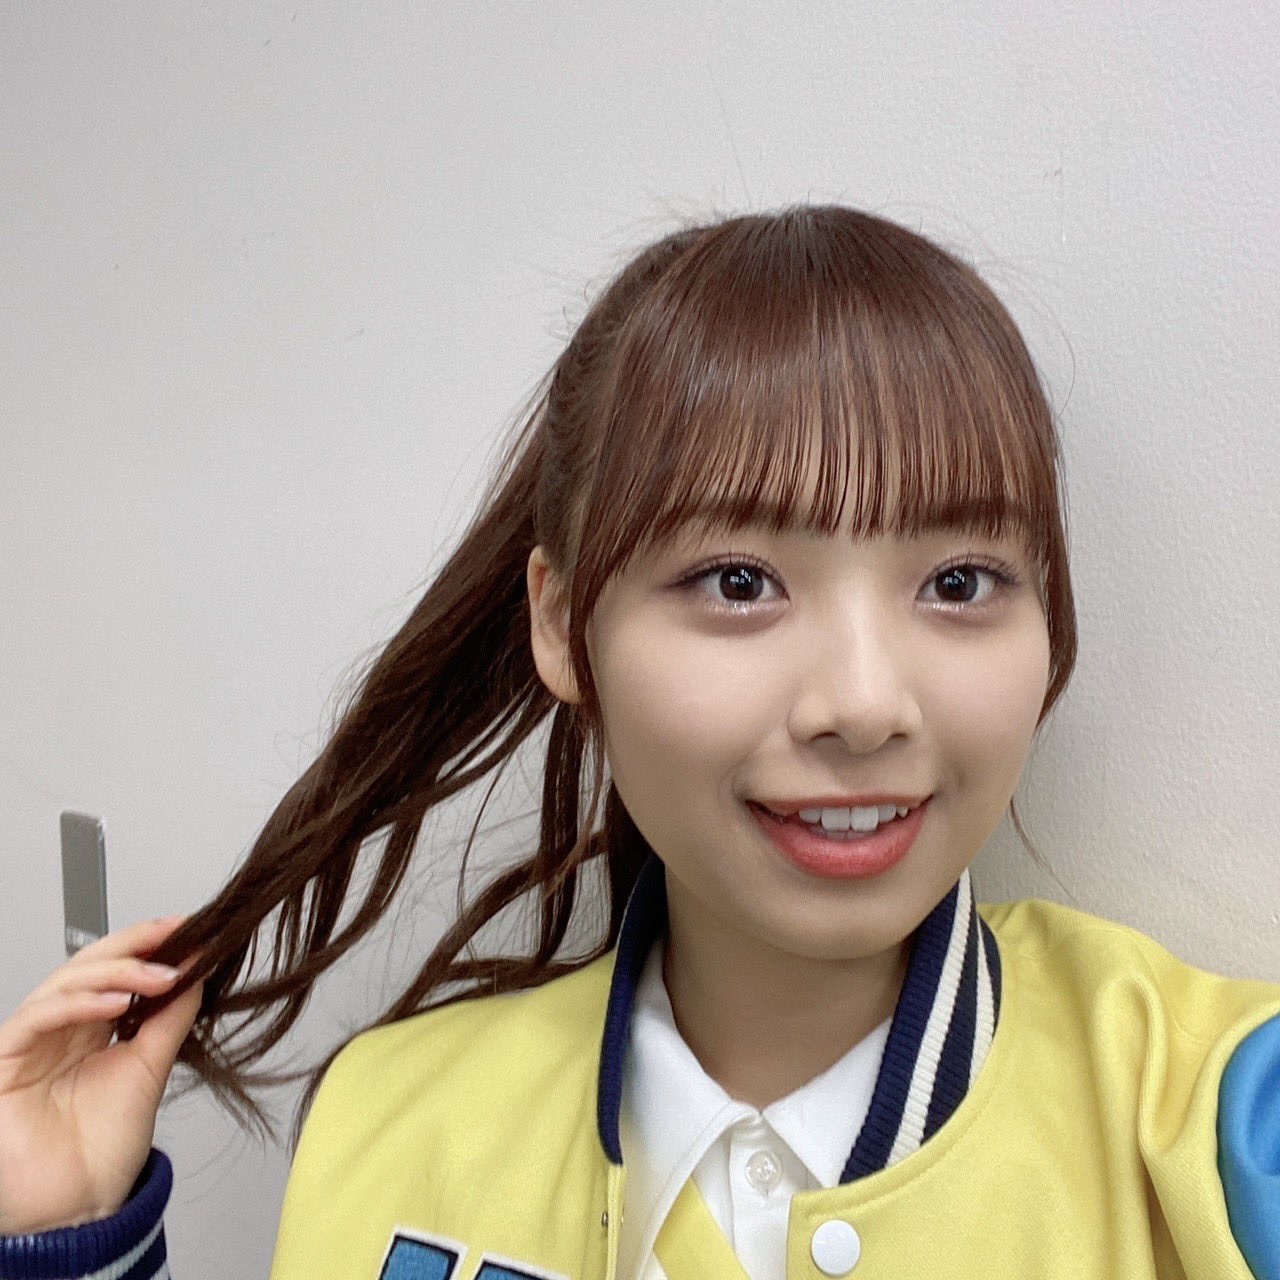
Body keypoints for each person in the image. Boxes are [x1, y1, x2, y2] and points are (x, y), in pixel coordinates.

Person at [0, 205, 1276, 1280]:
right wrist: (63, 1238)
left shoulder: (1221, 1121)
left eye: (957, 581)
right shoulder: (389, 1117)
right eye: (737, 581)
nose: (863, 703)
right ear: (563, 625)